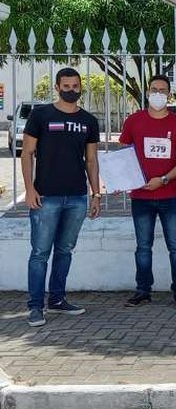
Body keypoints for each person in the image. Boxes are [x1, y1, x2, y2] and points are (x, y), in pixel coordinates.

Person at [22, 68, 101, 327]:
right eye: (66, 86)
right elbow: (27, 154)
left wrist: (96, 193)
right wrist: (30, 189)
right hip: (46, 197)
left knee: (65, 250)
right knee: (40, 253)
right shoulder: (41, 115)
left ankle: (57, 299)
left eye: (75, 86)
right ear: (57, 87)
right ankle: (35, 307)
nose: (71, 90)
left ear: (81, 88)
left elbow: (91, 160)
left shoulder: (89, 120)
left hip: (77, 197)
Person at [120, 75, 176, 309]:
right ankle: (143, 290)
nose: (158, 94)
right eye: (154, 89)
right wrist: (128, 179)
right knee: (143, 246)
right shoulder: (133, 121)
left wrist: (163, 179)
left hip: (170, 196)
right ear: (147, 91)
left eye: (163, 91)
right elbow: (124, 155)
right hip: (141, 196)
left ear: (170, 94)